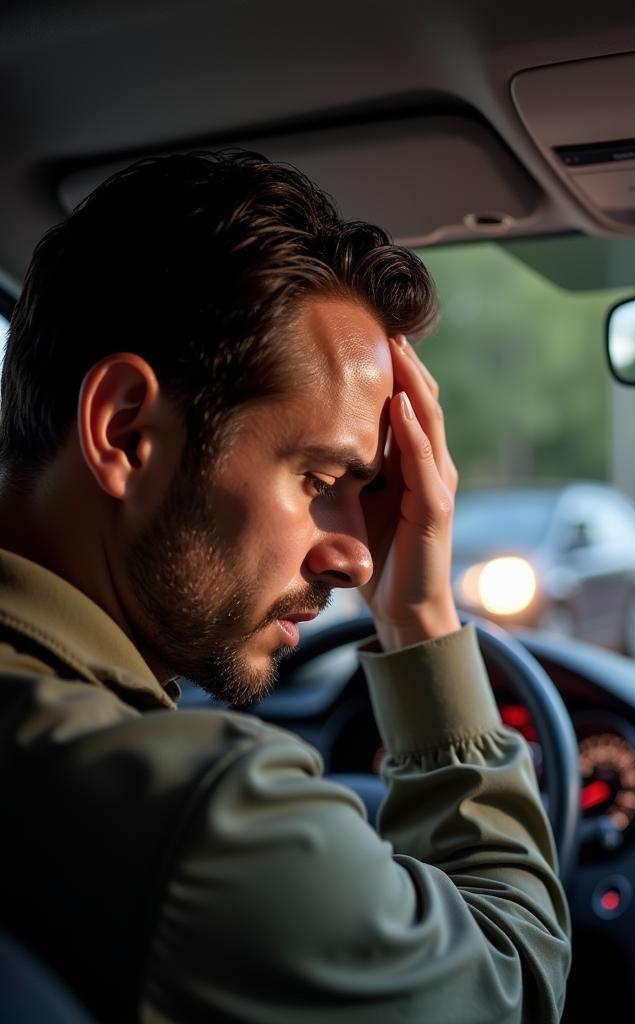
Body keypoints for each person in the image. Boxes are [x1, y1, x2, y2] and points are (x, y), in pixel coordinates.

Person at [0, 151, 570, 1022]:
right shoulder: (210, 820)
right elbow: (514, 983)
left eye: (364, 492)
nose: (359, 557)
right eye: (319, 480)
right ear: (124, 432)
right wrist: (418, 618)